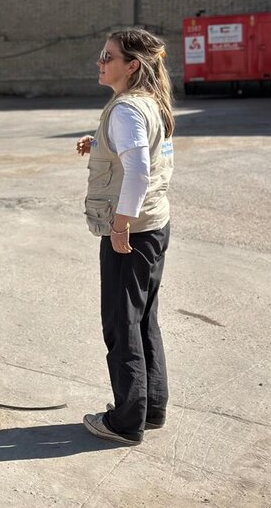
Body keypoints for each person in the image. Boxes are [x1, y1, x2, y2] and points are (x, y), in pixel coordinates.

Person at [76, 28, 175, 446]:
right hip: (154, 226)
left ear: (132, 65)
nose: (100, 61)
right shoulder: (149, 103)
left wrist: (119, 228)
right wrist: (97, 143)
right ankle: (152, 408)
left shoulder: (127, 110)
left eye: (109, 56)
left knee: (121, 324)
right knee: (143, 317)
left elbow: (138, 172)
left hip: (131, 232)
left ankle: (125, 421)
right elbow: (139, 153)